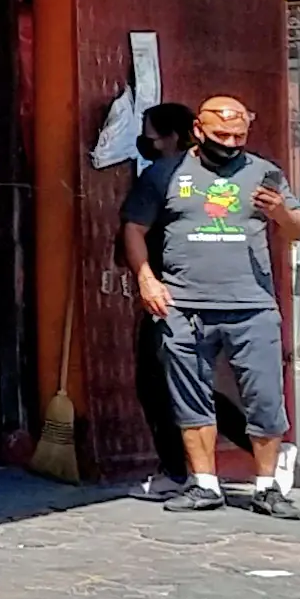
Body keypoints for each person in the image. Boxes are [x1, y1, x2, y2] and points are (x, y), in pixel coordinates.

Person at [118, 93, 300, 517]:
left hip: (252, 306)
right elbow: (134, 228)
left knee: (264, 397)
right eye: (221, 134)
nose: (230, 142)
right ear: (198, 131)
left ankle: (268, 488)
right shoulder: (164, 174)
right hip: (183, 305)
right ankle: (204, 484)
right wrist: (147, 279)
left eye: (238, 135)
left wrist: (281, 213)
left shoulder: (265, 173)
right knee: (189, 397)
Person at [117, 100, 200, 496]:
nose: (144, 141)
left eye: (148, 134)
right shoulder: (212, 174)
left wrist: (146, 278)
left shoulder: (159, 175)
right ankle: (265, 444)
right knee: (190, 381)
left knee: (155, 383)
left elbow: (133, 230)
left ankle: (176, 472)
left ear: (168, 137)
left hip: (168, 292)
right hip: (209, 290)